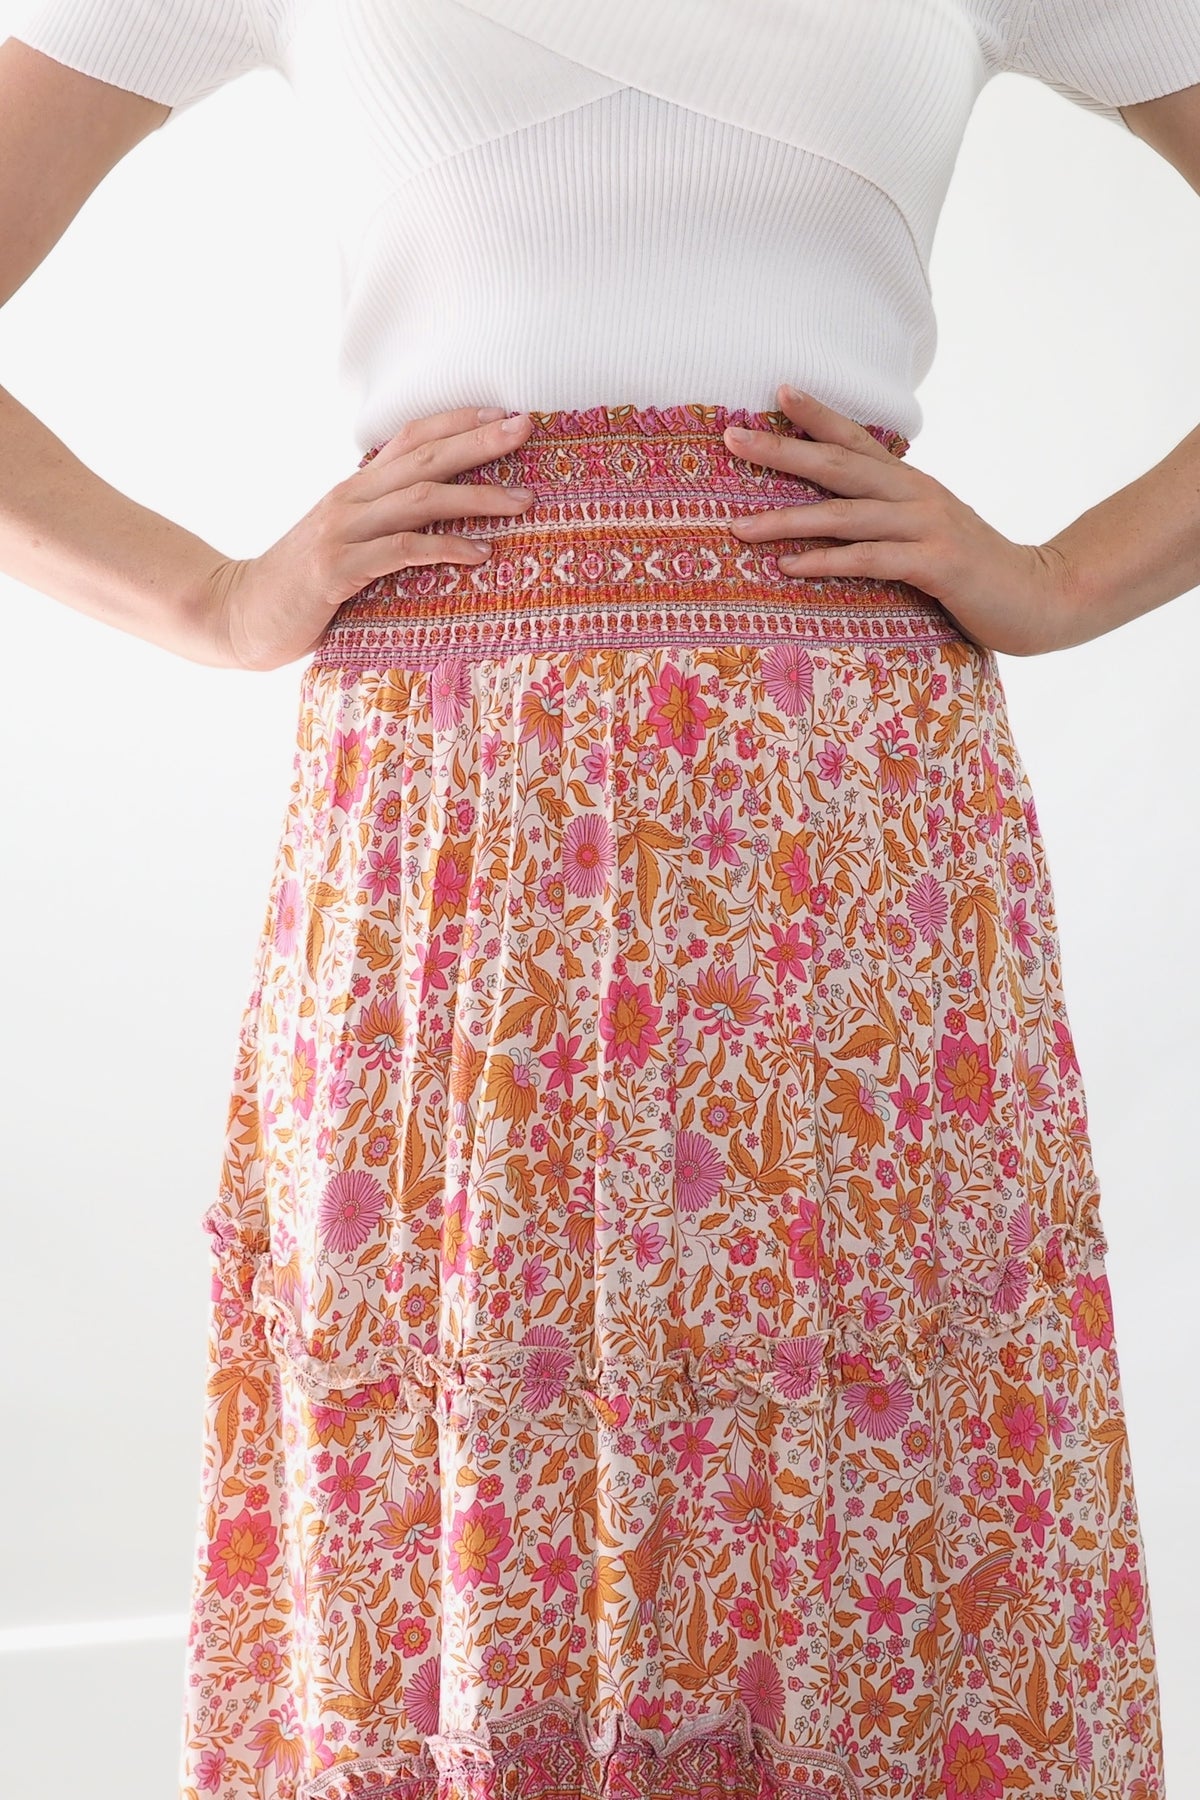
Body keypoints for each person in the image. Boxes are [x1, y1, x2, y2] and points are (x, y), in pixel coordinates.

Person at [2, 5, 1198, 1799]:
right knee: (469, 1369)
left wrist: (1068, 579)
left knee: (854, 1397)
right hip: (454, 829)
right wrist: (212, 599)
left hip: (845, 835)